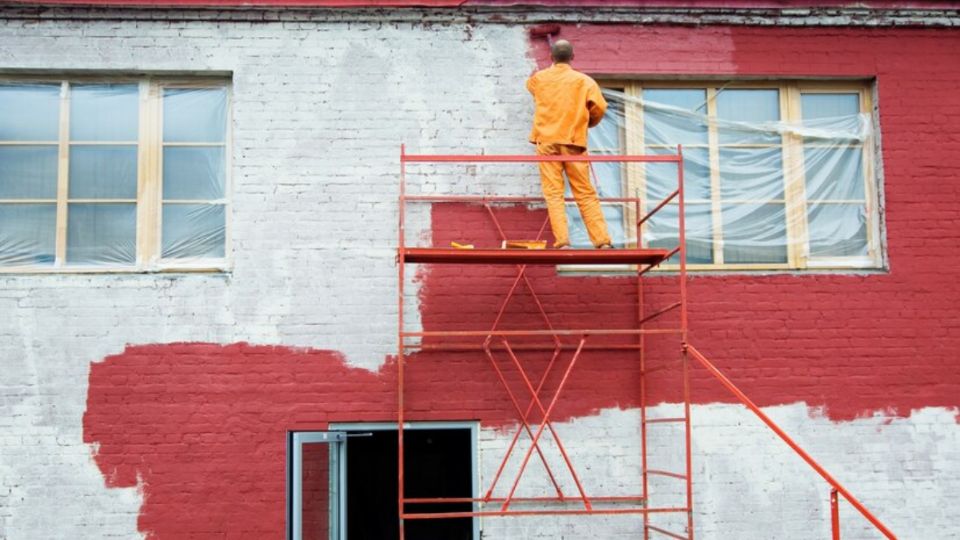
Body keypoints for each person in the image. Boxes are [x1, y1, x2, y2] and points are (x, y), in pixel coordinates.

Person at [526, 39, 612, 249]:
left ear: (551, 57)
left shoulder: (539, 79)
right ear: (572, 57)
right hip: (573, 141)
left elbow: (532, 87)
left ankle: (563, 241)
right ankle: (601, 241)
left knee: (554, 193)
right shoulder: (585, 81)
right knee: (584, 192)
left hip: (547, 142)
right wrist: (586, 122)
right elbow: (599, 108)